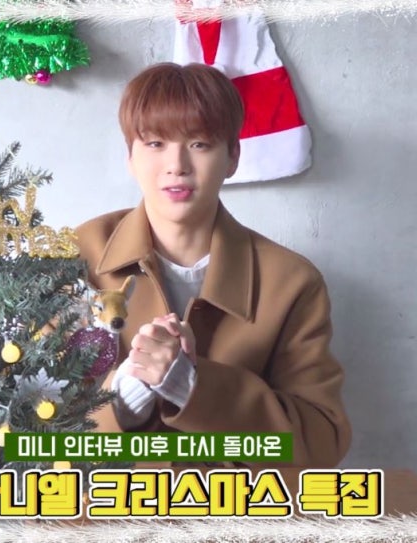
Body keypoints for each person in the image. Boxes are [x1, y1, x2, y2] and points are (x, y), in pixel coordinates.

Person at [75, 62, 351, 468]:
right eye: (155, 143)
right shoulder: (75, 256)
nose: (177, 165)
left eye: (200, 144)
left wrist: (195, 389)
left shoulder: (292, 283)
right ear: (130, 157)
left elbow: (319, 444)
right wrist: (121, 401)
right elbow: (19, 426)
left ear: (233, 157)